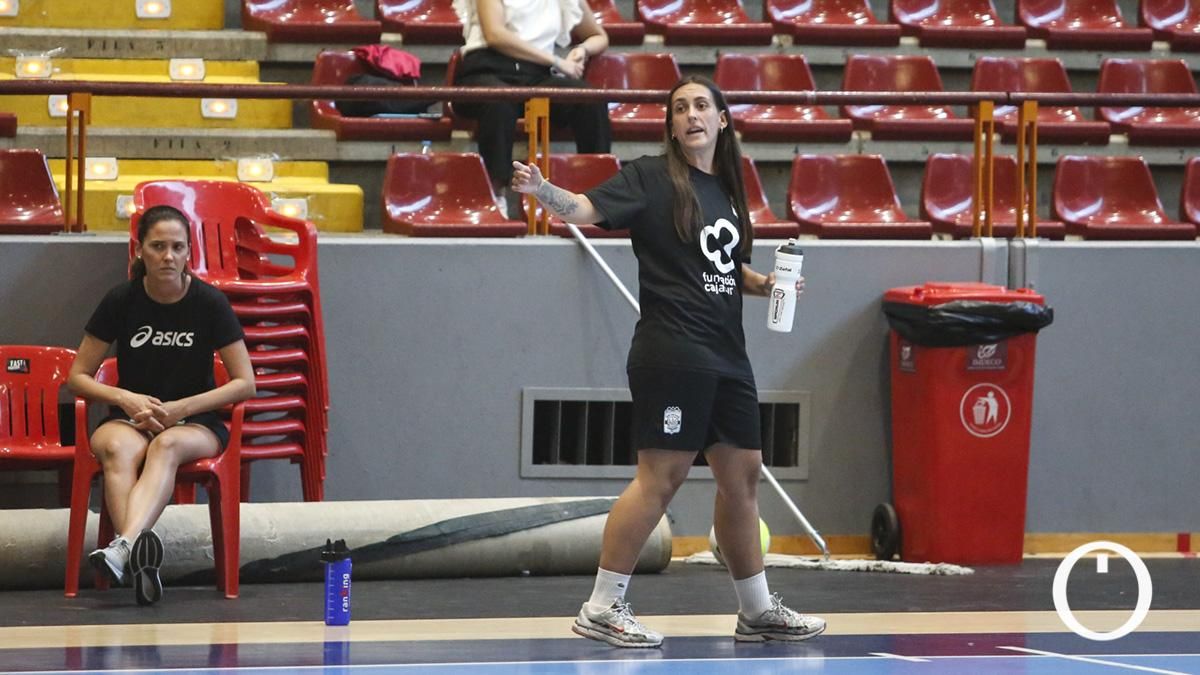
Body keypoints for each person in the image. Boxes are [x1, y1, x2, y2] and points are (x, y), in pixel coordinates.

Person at [511, 76, 826, 647]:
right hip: (673, 352)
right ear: (672, 125)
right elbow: (584, 209)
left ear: (722, 119)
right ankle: (602, 606)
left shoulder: (728, 191)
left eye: (702, 105)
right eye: (680, 108)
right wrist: (544, 190)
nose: (691, 115)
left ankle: (756, 610)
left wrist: (769, 286)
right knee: (662, 477)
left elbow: (728, 273)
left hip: (728, 355)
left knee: (743, 478)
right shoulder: (650, 177)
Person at [67, 205, 255, 606]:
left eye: (177, 247)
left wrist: (180, 408)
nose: (168, 256)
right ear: (139, 250)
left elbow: (245, 383)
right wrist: (124, 397)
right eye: (157, 246)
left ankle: (124, 548)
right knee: (117, 448)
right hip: (130, 416)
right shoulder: (121, 299)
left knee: (166, 446)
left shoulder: (209, 302)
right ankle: (134, 556)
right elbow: (77, 376)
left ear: (190, 253)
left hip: (195, 421)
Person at [452, 0, 612, 213]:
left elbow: (599, 36)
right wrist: (556, 60)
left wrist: (582, 49)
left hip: (536, 75)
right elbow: (495, 35)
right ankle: (495, 194)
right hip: (487, 70)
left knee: (589, 99)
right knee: (499, 101)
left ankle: (596, 194)